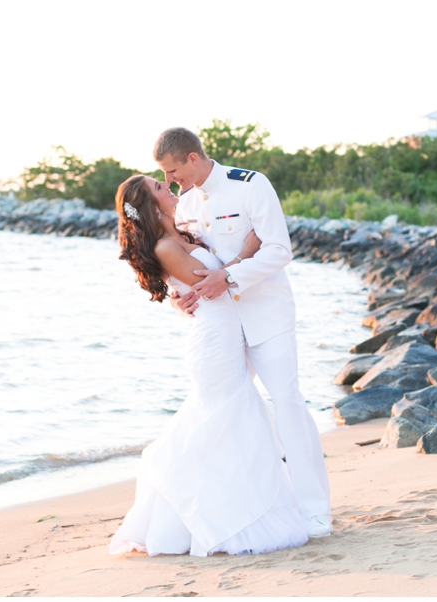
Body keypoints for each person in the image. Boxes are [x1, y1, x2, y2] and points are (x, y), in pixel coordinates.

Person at [109, 174, 309, 557]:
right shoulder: (167, 246)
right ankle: (206, 514)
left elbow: (197, 287)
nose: (169, 188)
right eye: (159, 188)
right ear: (152, 207)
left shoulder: (183, 236)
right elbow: (209, 283)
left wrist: (182, 294)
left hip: (230, 337)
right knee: (222, 422)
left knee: (231, 426)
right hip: (213, 345)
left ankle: (230, 508)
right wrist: (246, 252)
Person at [153, 127, 332, 538]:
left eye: (174, 170)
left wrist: (229, 277)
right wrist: (181, 300)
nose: (170, 180)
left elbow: (278, 250)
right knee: (226, 418)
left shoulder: (250, 185)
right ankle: (231, 508)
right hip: (221, 330)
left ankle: (314, 508)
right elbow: (188, 267)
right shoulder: (185, 205)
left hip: (266, 318)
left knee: (287, 403)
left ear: (193, 158)